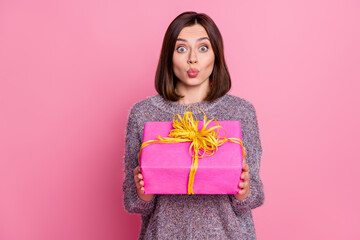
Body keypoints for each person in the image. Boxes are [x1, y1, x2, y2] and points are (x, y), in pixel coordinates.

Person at [122, 11, 264, 239]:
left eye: (203, 48)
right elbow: (133, 202)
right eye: (181, 48)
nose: (192, 58)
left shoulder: (241, 112)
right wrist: (143, 191)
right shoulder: (144, 114)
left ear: (216, 55)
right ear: (169, 56)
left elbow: (254, 195)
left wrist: (244, 190)